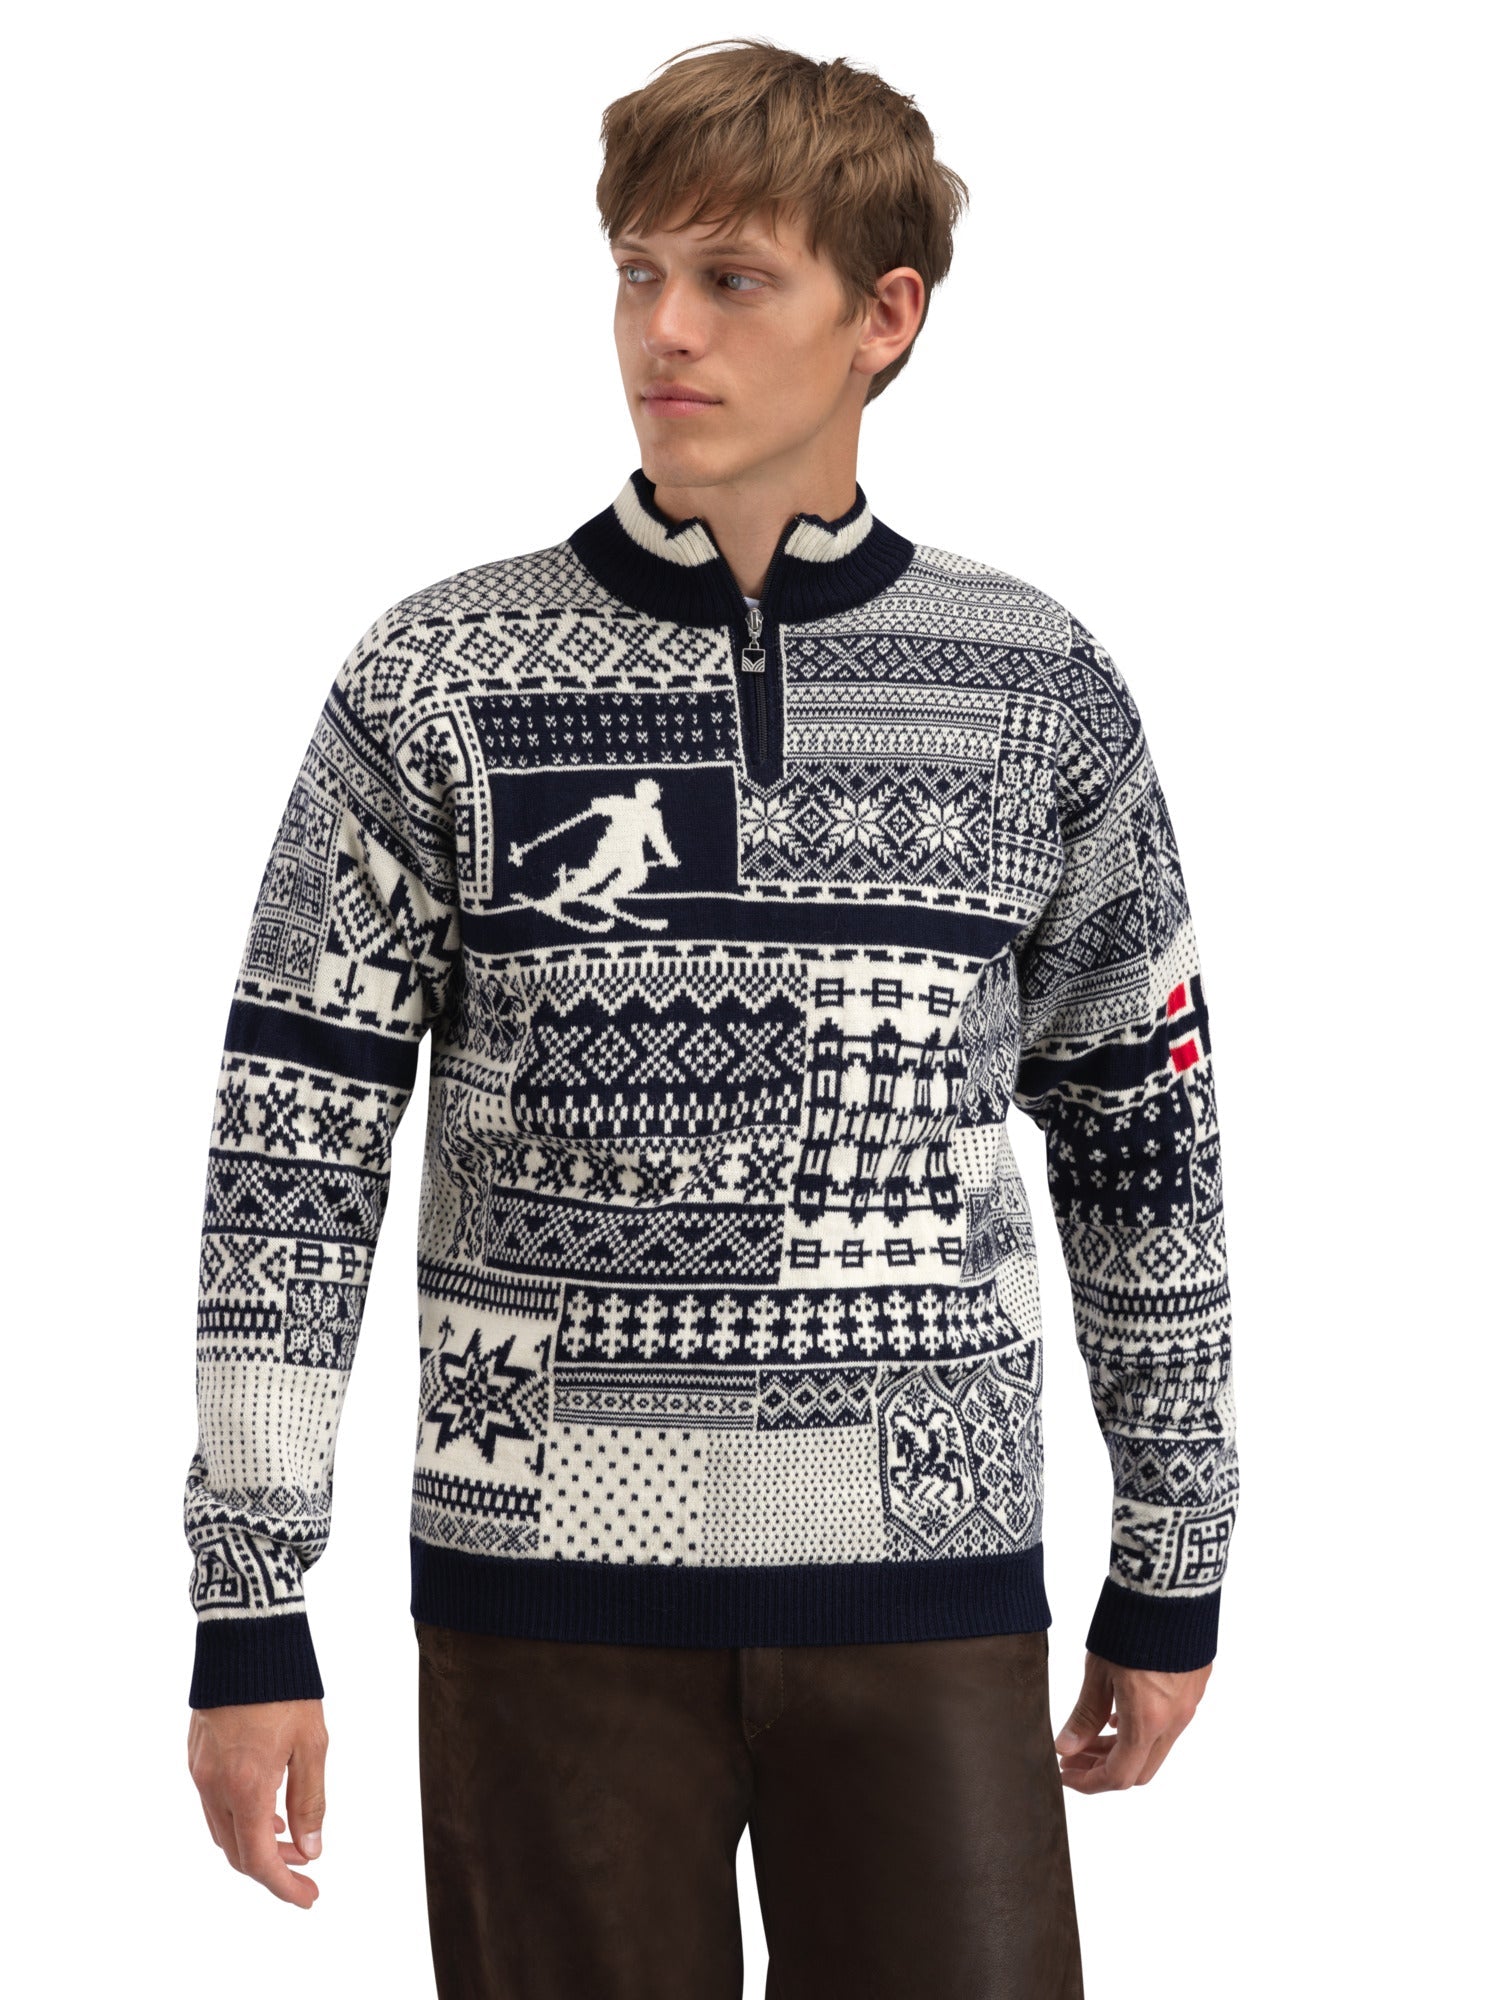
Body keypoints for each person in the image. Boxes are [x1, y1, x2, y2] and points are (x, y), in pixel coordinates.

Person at [185, 36, 1238, 1999]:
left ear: (884, 316)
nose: (663, 329)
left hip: (927, 1581)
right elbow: (294, 1150)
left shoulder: (1035, 690)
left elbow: (1144, 1142)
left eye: (734, 278)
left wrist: (1173, 1555)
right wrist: (249, 1609)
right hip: (539, 1602)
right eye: (638, 271)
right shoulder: (437, 677)